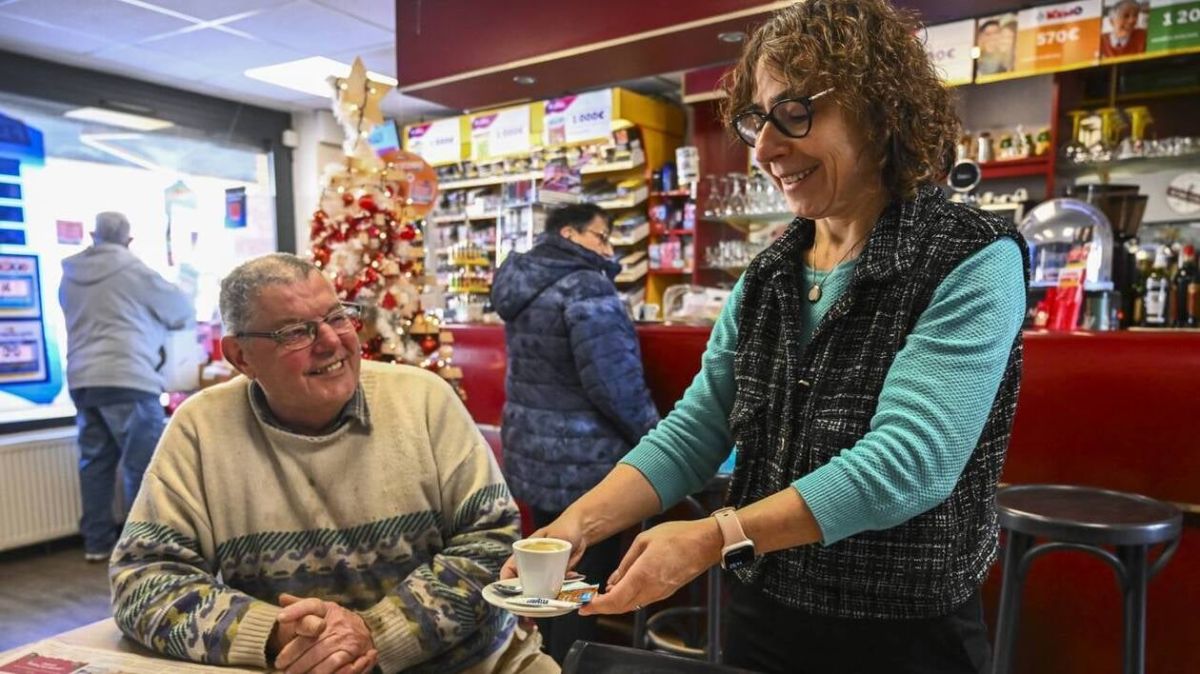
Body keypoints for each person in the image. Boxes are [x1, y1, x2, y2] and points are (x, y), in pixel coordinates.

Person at [503, 2, 1028, 673]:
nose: (764, 148)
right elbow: (697, 427)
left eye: (795, 112)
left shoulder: (969, 257)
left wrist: (715, 536)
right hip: (763, 617)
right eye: (757, 119)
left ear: (879, 107)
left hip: (902, 631)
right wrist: (574, 525)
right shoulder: (769, 275)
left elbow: (910, 463)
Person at [109, 253, 557, 674]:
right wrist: (273, 632)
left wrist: (375, 632)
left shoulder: (424, 399)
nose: (331, 342)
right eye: (294, 332)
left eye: (337, 317)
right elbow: (143, 579)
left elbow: (493, 543)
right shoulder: (201, 429)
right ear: (241, 357)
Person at [491, 203, 659, 663]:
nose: (608, 248)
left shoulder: (523, 282)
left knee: (547, 574)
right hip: (588, 464)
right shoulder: (586, 285)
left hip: (535, 454)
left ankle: (540, 661)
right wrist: (656, 441)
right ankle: (573, 663)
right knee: (584, 583)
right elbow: (614, 382)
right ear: (571, 233)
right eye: (602, 237)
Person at [59, 211, 193, 562]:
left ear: (93, 234)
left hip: (84, 380)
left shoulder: (69, 275)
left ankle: (97, 543)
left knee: (95, 465)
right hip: (128, 378)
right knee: (143, 467)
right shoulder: (133, 270)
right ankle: (144, 550)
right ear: (128, 239)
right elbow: (180, 309)